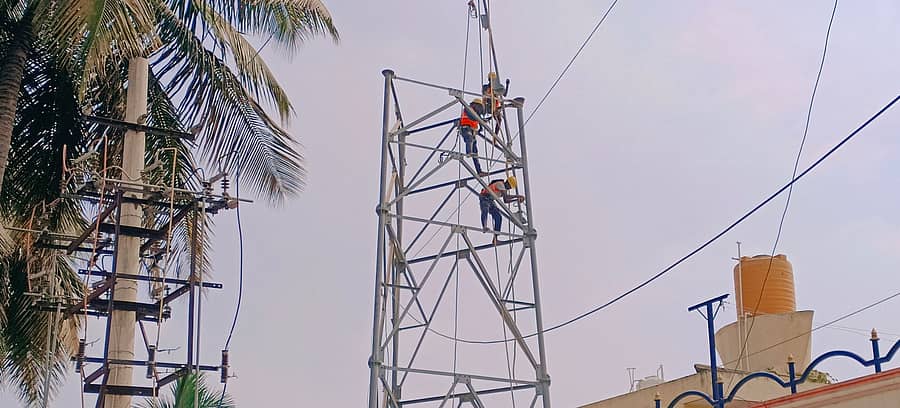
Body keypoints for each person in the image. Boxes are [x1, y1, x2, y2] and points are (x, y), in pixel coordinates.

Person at [479, 176, 524, 243]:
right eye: (510, 187)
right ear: (508, 183)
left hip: (491, 200)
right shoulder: (500, 184)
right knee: (485, 209)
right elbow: (506, 198)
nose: (509, 188)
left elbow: (506, 201)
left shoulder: (503, 188)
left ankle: (495, 238)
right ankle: (484, 226)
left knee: (498, 217)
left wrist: (517, 199)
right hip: (484, 197)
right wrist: (518, 196)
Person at [460, 98, 488, 176]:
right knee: (469, 140)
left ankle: (479, 171)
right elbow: (472, 116)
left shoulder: (475, 113)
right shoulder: (468, 109)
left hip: (472, 131)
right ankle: (469, 152)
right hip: (466, 129)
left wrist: (481, 126)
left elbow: (478, 120)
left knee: (475, 152)